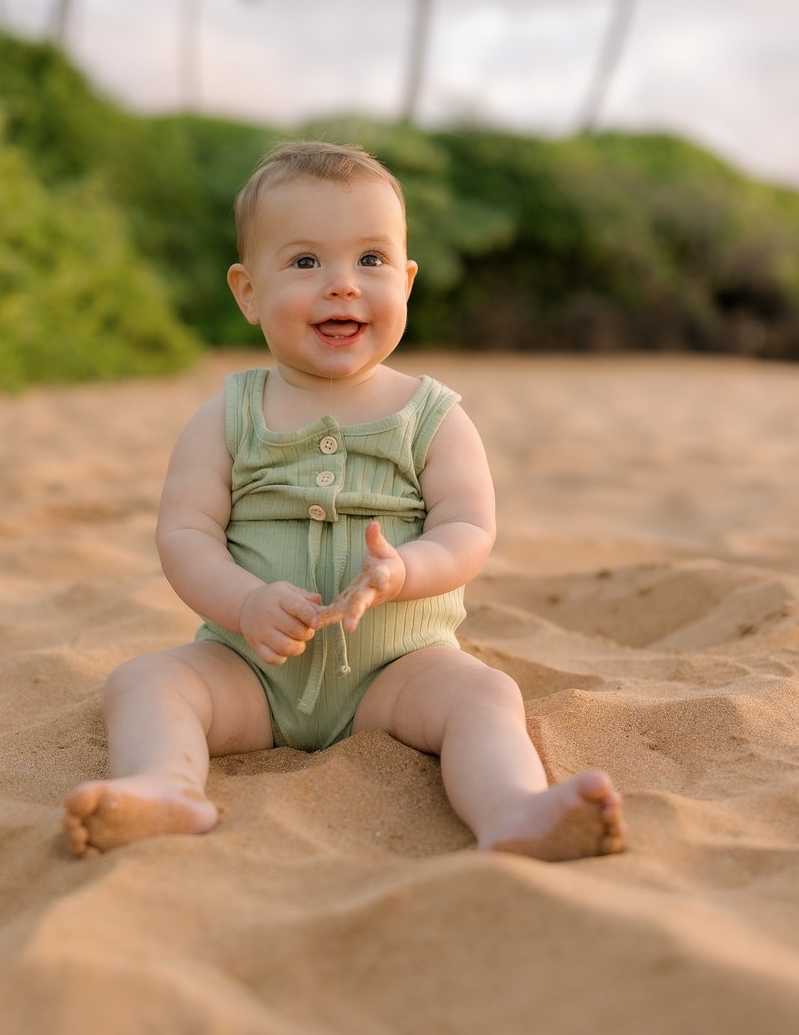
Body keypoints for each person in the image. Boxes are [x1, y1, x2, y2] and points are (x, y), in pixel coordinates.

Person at [64, 140, 626, 862]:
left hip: (396, 673)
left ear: (407, 280)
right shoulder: (226, 416)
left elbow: (469, 527)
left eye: (371, 260)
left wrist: (406, 571)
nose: (342, 285)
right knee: (145, 681)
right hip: (251, 674)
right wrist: (244, 604)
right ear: (247, 292)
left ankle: (513, 809)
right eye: (305, 262)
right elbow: (186, 535)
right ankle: (166, 786)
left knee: (483, 695)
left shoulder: (433, 416)